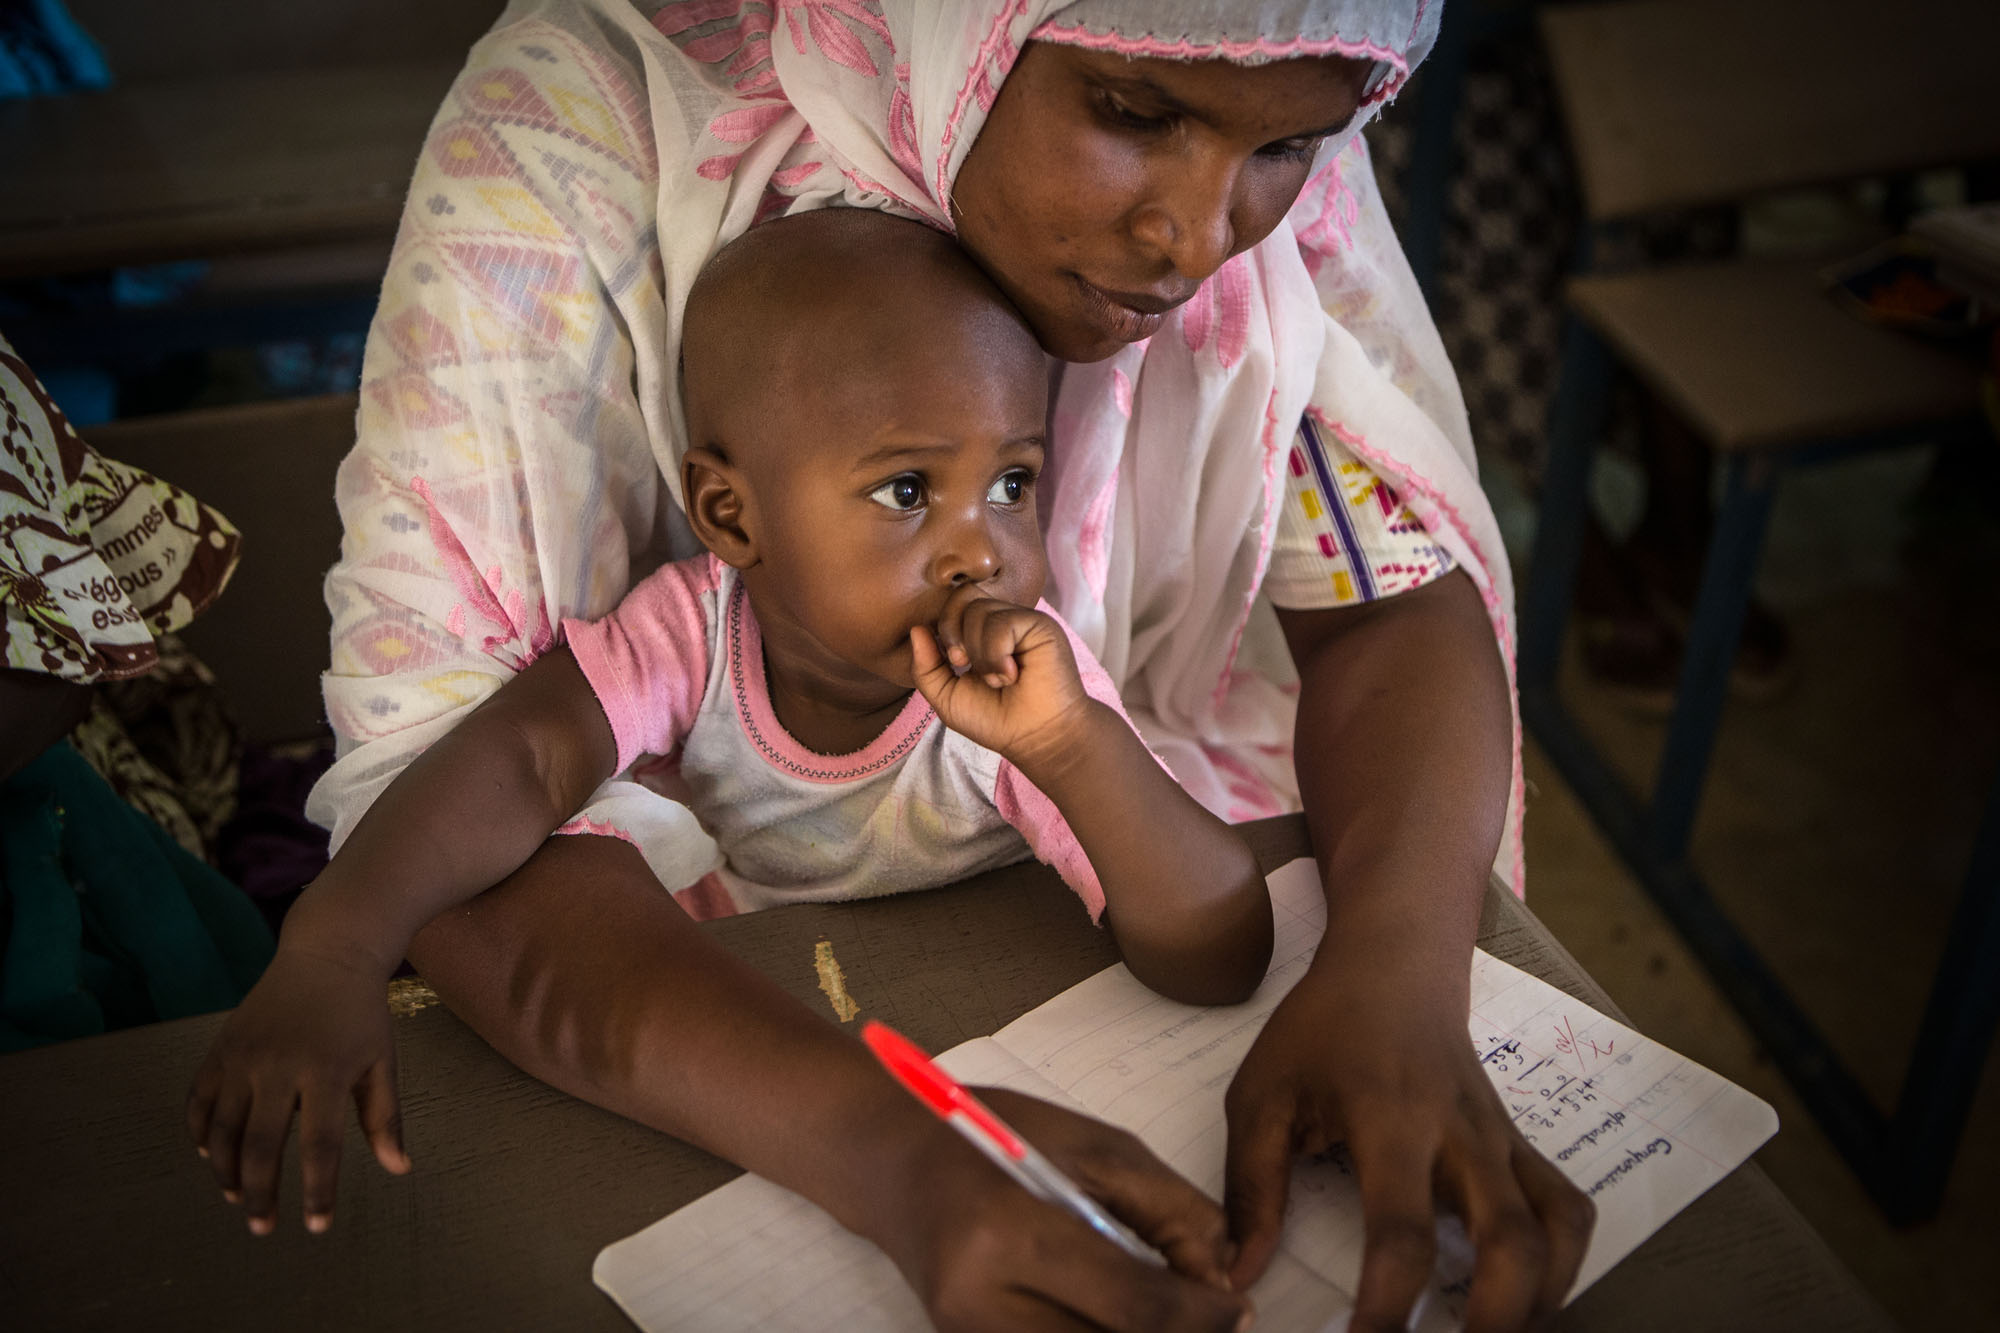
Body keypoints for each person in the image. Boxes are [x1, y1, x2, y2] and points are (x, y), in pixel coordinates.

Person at [273, 4, 1595, 1331]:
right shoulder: (581, 125)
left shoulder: (1266, 58)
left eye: (1296, 147)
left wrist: (1401, 966)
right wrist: (890, 1151)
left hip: (1103, 879)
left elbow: (1384, 600)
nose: (1200, 238)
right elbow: (453, 767)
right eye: (1135, 115)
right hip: (695, 989)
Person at [188, 210, 1274, 1245]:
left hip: (994, 1025)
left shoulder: (1019, 684)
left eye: (1010, 482)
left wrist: (1073, 750)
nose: (977, 553)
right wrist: (334, 947)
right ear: (729, 515)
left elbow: (1220, 954)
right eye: (906, 489)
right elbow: (519, 758)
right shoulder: (689, 636)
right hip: (769, 1031)